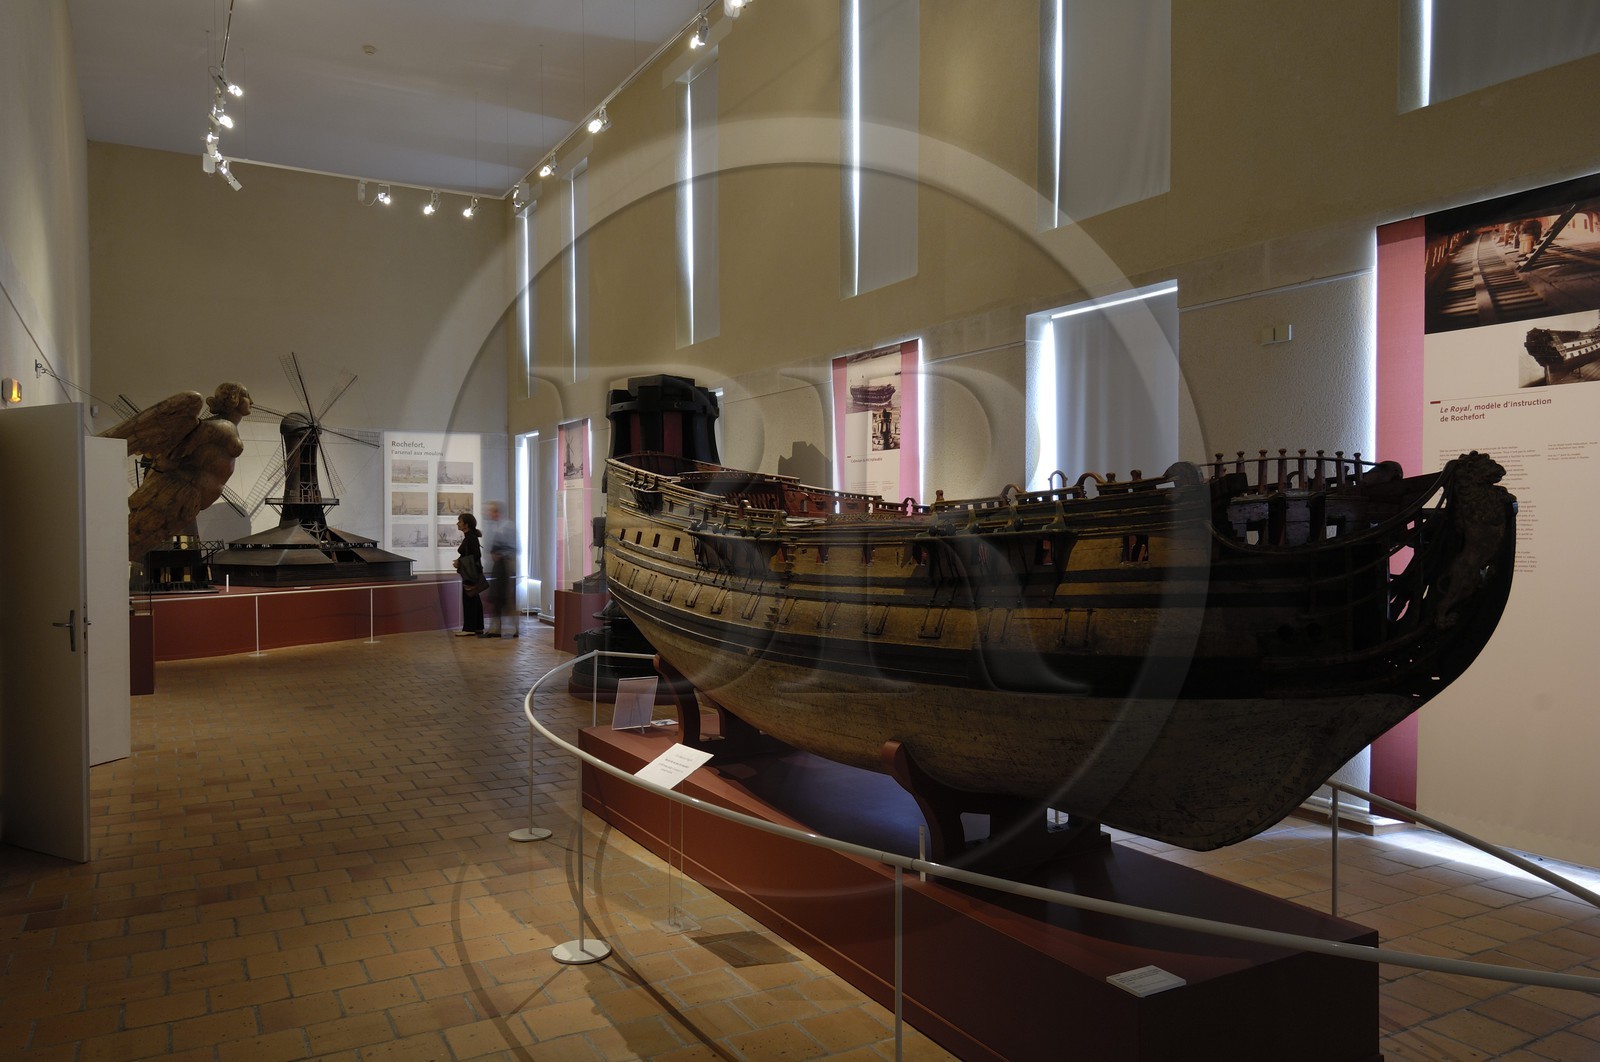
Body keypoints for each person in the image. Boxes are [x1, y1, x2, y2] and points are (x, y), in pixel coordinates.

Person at [101, 383, 253, 561]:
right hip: (177, 493)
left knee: (143, 543)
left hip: (188, 498)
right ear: (235, 400)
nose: (251, 401)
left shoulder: (219, 426)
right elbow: (175, 453)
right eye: (247, 396)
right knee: (137, 541)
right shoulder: (219, 427)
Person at [481, 501, 518, 637]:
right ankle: (495, 629)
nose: (488, 514)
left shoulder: (507, 526)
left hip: (505, 567)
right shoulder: (494, 526)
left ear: (496, 512)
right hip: (497, 567)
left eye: (490, 511)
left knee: (505, 599)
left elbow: (514, 547)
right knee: (496, 599)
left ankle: (513, 628)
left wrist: (500, 554)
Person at [454, 512, 485, 636]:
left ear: (466, 525)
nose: (458, 523)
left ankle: (469, 628)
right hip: (472, 572)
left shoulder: (471, 537)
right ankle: (477, 627)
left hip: (471, 573)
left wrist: (459, 562)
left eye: (460, 521)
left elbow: (476, 555)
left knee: (469, 598)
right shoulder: (470, 536)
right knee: (473, 597)